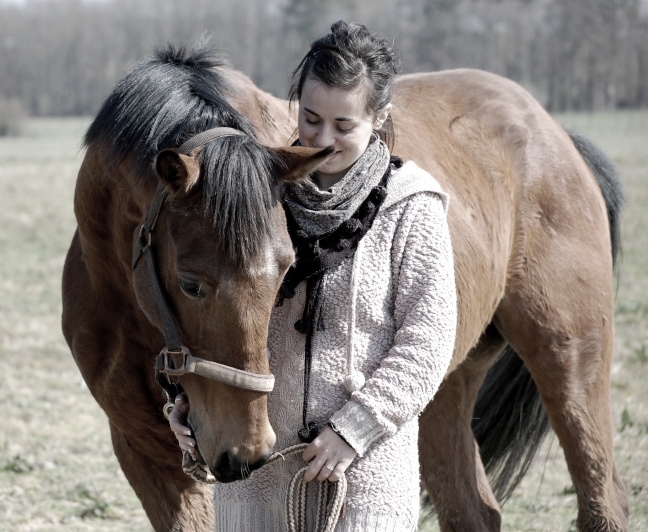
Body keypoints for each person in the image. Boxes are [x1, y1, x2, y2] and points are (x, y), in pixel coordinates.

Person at [170, 20, 456, 531]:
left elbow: (427, 342)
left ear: (379, 118)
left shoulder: (411, 205)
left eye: (344, 125)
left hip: (363, 483)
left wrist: (355, 429)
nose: (323, 138)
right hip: (254, 484)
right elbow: (212, 314)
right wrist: (189, 402)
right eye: (310, 118)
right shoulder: (251, 190)